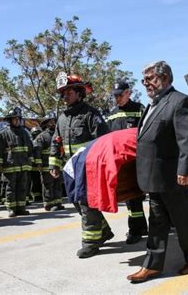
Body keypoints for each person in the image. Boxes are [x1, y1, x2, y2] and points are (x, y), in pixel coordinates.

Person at [127, 61, 188, 283]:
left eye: (150, 78)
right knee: (157, 221)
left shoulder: (181, 102)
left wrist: (185, 170)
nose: (146, 84)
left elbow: (187, 140)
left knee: (183, 220)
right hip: (155, 176)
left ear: (166, 78)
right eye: (144, 80)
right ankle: (152, 266)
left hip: (175, 177)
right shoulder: (150, 105)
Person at [49, 72, 111, 259]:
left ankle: (91, 242)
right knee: (76, 201)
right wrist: (54, 163)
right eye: (63, 93)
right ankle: (104, 232)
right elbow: (56, 141)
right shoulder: (62, 118)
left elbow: (102, 140)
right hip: (70, 168)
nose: (64, 96)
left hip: (88, 166)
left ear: (79, 93)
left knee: (86, 203)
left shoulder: (91, 114)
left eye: (68, 92)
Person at [106, 80, 148, 244]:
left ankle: (138, 229)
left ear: (128, 93)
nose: (117, 99)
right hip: (121, 162)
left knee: (138, 196)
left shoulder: (139, 109)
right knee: (131, 198)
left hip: (138, 159)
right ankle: (138, 229)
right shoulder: (112, 113)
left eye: (120, 95)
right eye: (115, 96)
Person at [0, 107, 34, 217]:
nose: (17, 121)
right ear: (10, 120)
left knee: (22, 188)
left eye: (18, 119)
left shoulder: (25, 133)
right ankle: (11, 208)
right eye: (15, 119)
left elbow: (30, 148)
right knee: (10, 188)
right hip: (10, 166)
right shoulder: (3, 134)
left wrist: (30, 161)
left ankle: (21, 208)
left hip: (23, 166)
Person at [33, 113, 65, 211]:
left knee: (58, 184)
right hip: (46, 165)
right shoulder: (42, 136)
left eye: (54, 121)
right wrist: (39, 164)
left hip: (58, 164)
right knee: (48, 185)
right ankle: (49, 204)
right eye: (51, 121)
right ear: (46, 123)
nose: (53, 123)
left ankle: (58, 202)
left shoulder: (58, 135)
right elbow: (37, 151)